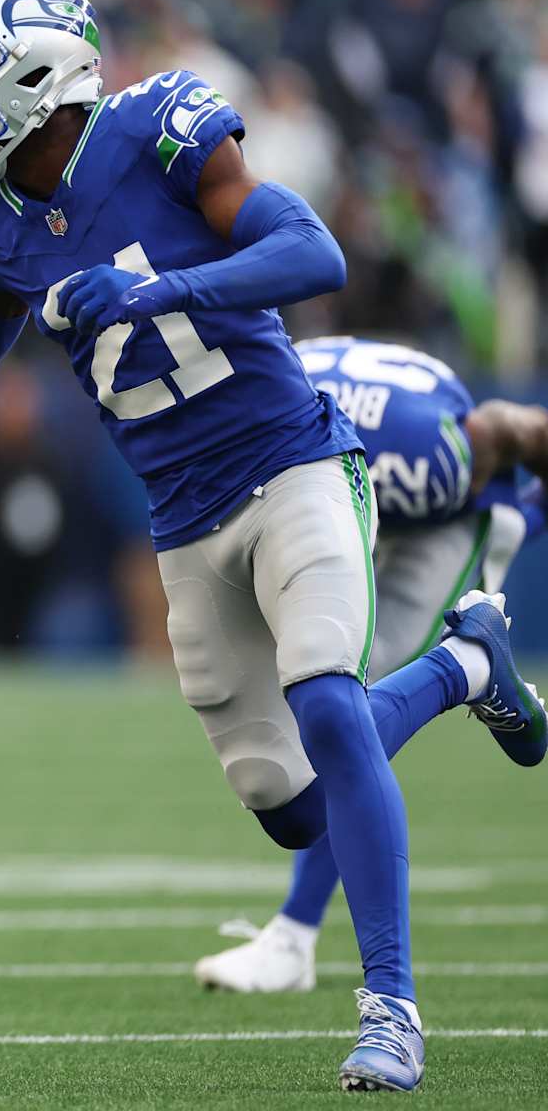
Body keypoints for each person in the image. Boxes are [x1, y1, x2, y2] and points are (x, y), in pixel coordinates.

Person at [0, 0, 545, 1093]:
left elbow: (314, 255)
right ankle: (467, 662)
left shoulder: (157, 130)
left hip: (293, 458)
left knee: (328, 699)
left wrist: (161, 293)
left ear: (34, 75)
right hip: (182, 515)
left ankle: (391, 1007)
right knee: (290, 809)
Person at [195, 335, 545, 992]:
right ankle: (293, 938)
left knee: (343, 711)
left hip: (437, 517)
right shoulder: (254, 401)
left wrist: (526, 517)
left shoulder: (430, 452)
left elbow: (516, 427)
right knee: (319, 703)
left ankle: (471, 665)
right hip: (347, 494)